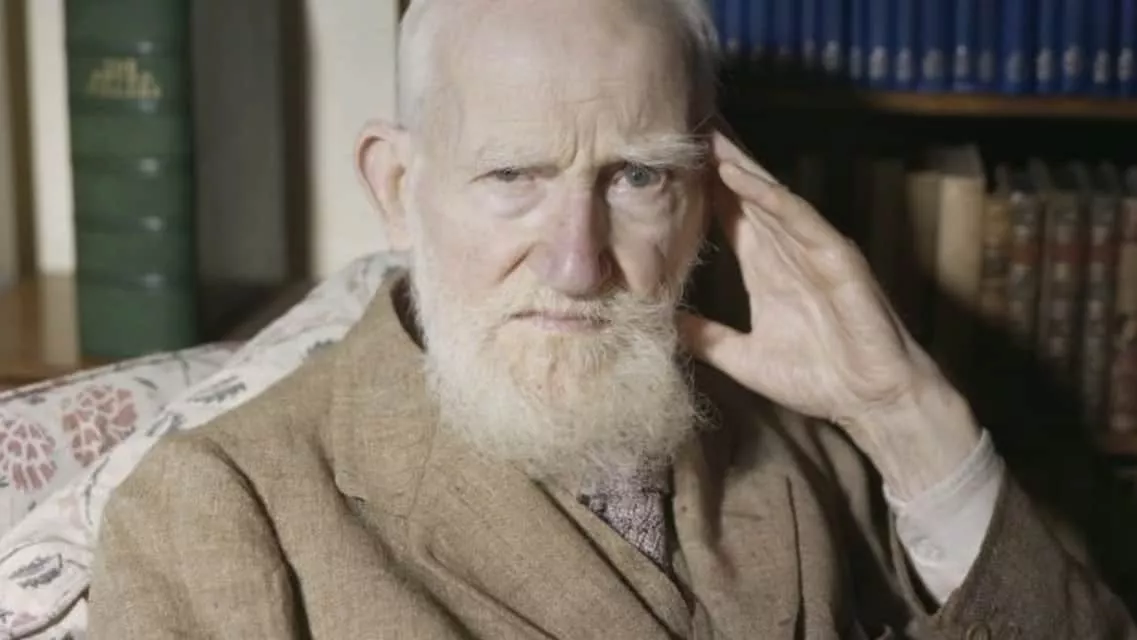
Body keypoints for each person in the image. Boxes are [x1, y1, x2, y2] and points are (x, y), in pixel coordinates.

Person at [87, 0, 1135, 637]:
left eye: (637, 176)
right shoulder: (216, 508)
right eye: (513, 175)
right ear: (398, 186)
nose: (577, 264)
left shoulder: (824, 442)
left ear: (709, 196)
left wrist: (906, 412)